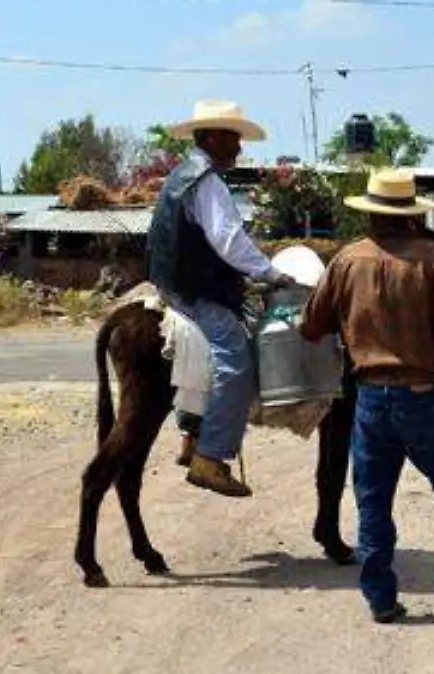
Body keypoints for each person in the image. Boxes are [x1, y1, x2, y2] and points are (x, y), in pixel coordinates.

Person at [299, 168, 434, 627]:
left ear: (370, 215)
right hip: (424, 395)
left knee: (373, 501)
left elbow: (311, 326)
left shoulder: (347, 261)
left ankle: (381, 599)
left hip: (369, 398)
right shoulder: (433, 259)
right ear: (410, 215)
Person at [144, 99, 294, 499]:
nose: (239, 148)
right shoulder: (206, 181)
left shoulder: (182, 174)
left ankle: (192, 436)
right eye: (233, 139)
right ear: (212, 136)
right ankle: (210, 457)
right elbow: (229, 241)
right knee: (236, 359)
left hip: (173, 284)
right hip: (196, 291)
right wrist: (270, 273)